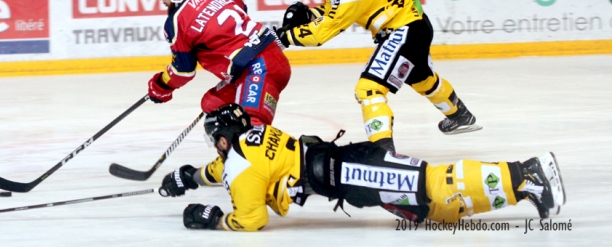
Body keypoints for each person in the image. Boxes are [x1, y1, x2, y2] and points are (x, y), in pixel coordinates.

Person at [159, 103, 566, 232]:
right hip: (348, 168)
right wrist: (189, 177)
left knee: (432, 185)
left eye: (215, 140)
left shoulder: (240, 167)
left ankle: (526, 172)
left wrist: (212, 218)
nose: (215, 147)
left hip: (350, 172)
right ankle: (525, 187)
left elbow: (250, 219)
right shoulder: (252, 139)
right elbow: (226, 168)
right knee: (429, 209)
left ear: (223, 139)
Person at [274, 0, 481, 152]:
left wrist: (285, 36)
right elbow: (333, 10)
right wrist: (310, 13)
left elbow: (321, 33)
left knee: (369, 89)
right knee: (423, 80)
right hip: (416, 23)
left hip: (403, 30)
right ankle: (460, 115)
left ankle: (383, 154)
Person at [146, 0, 291, 126]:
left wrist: (161, 85)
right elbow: (242, 11)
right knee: (212, 104)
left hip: (258, 70)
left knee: (253, 132)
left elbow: (183, 71)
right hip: (266, 56)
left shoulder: (177, 20)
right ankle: (231, 148)